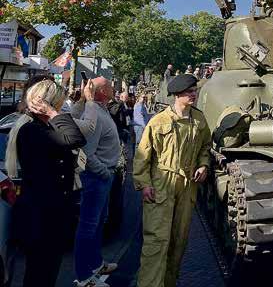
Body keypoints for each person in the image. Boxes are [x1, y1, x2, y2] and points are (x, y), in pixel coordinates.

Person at [11, 80, 93, 287]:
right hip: (41, 217)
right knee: (40, 274)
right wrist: (52, 113)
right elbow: (75, 138)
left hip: (51, 214)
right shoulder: (32, 130)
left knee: (46, 272)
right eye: (59, 103)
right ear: (48, 103)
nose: (61, 107)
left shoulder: (43, 127)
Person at [134, 74, 211, 287]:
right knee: (156, 241)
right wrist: (144, 184)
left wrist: (203, 165)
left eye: (194, 91)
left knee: (179, 241)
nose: (194, 94)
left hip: (187, 185)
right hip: (162, 184)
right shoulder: (158, 121)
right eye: (189, 92)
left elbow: (205, 146)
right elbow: (142, 155)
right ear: (177, 95)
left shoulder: (199, 119)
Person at [73, 77, 121, 286]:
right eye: (109, 85)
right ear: (101, 92)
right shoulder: (96, 115)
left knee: (99, 222)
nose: (114, 88)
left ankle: (95, 264)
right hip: (97, 178)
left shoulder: (100, 111)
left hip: (102, 177)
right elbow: (87, 152)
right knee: (88, 227)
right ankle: (84, 277)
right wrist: (104, 172)